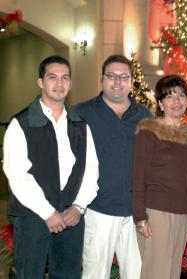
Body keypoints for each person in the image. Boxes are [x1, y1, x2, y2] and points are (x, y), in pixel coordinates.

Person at [2, 55, 99, 278]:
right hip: (32, 216)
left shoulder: (80, 125)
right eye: (52, 77)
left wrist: (78, 207)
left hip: (70, 215)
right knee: (30, 274)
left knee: (68, 274)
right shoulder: (22, 123)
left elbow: (91, 170)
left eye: (65, 78)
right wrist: (48, 212)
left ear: (70, 84)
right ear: (40, 82)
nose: (59, 83)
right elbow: (17, 175)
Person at [74, 54, 152, 279]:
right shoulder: (81, 114)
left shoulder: (145, 116)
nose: (117, 82)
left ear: (131, 81)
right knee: (94, 274)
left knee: (137, 274)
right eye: (111, 76)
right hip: (98, 210)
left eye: (123, 77)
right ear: (102, 79)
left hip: (135, 213)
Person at [132, 75, 187, 279]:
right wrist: (140, 216)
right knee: (156, 273)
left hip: (183, 213)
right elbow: (138, 175)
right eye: (169, 96)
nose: (176, 101)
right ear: (160, 103)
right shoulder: (149, 131)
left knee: (173, 273)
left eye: (181, 95)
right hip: (156, 213)